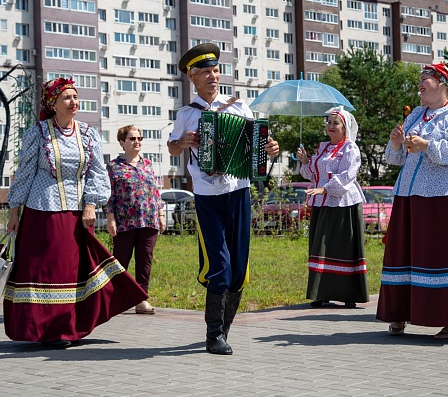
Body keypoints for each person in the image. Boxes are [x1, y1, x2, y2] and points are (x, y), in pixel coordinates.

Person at [4, 77, 147, 348]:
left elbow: (96, 172)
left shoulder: (87, 133)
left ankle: (69, 327)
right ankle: (45, 329)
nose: (73, 102)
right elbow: (24, 173)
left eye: (75, 97)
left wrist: (91, 204)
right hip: (43, 211)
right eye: (66, 97)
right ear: (52, 103)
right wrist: (14, 211)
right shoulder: (39, 132)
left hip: (79, 213)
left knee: (73, 270)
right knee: (47, 271)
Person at [167, 43, 280, 355]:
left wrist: (270, 149)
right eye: (205, 72)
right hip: (208, 197)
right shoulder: (188, 114)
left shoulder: (238, 108)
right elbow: (173, 148)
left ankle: (224, 330)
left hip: (239, 192)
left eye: (215, 70)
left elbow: (259, 145)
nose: (213, 76)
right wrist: (183, 142)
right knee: (221, 264)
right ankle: (213, 335)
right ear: (192, 77)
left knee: (239, 267)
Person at [376, 63, 448, 339]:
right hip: (409, 194)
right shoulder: (416, 114)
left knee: (443, 255)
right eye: (419, 79)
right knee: (406, 253)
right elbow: (396, 158)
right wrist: (396, 144)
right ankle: (401, 311)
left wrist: (426, 145)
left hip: (446, 196)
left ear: (443, 84)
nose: (420, 83)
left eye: (425, 78)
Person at [296, 107, 369, 309]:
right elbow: (314, 175)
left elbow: (347, 176)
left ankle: (348, 293)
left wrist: (324, 189)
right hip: (322, 203)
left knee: (343, 248)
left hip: (344, 204)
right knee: (321, 247)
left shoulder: (350, 149)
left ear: (345, 127)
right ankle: (321, 292)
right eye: (328, 122)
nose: (330, 126)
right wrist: (305, 162)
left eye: (335, 123)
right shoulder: (324, 148)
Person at [104, 125, 165, 315]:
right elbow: (109, 195)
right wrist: (110, 218)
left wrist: (161, 215)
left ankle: (141, 299)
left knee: (145, 260)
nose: (137, 141)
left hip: (148, 220)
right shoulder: (113, 167)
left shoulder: (147, 164)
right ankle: (115, 298)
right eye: (132, 138)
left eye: (139, 138)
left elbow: (155, 192)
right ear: (122, 142)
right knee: (120, 260)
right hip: (124, 221)